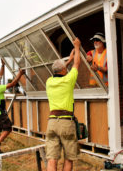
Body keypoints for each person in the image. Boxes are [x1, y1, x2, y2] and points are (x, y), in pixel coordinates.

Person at [45, 38, 81, 171]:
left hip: (52, 123)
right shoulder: (69, 80)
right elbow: (77, 64)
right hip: (66, 123)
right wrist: (77, 47)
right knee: (69, 158)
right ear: (64, 70)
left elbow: (59, 70)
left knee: (52, 158)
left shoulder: (49, 82)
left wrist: (68, 60)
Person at [0, 60, 25, 156]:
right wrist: (19, 74)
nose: (0, 80)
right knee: (8, 128)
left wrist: (2, 65)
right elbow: (12, 84)